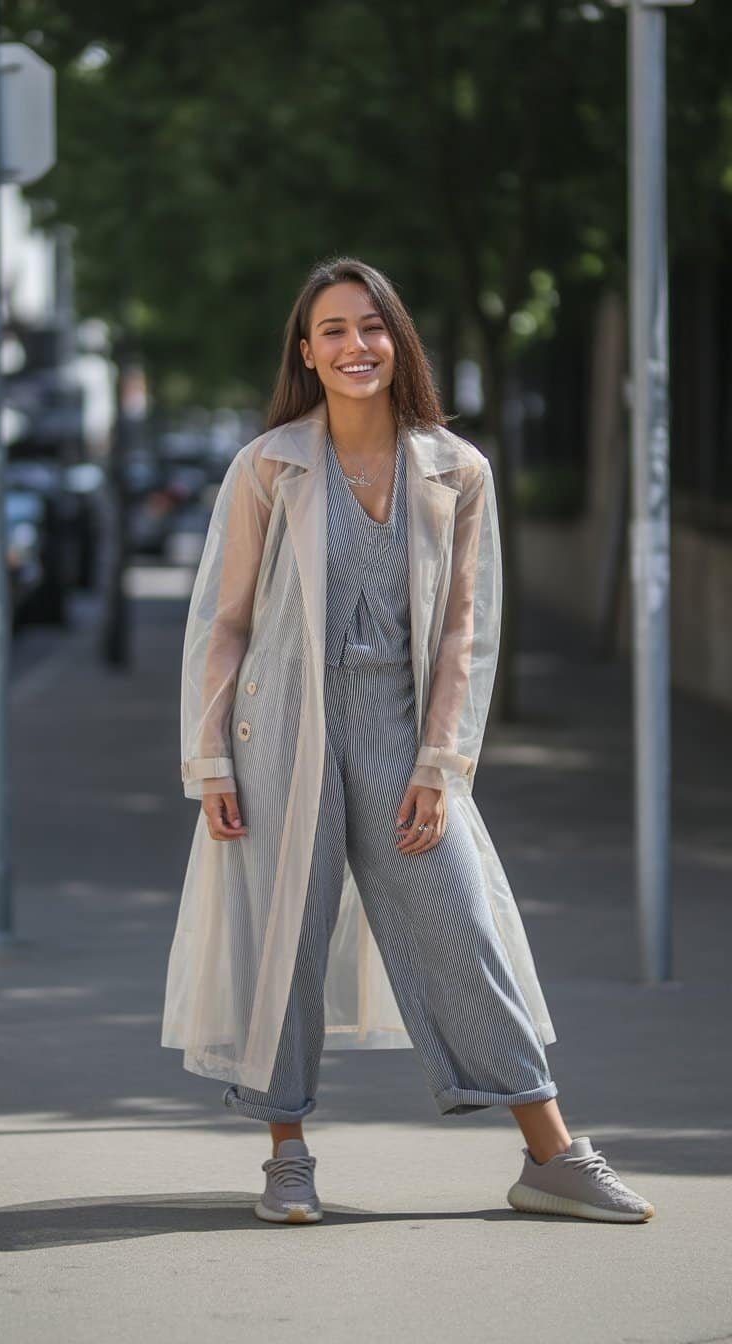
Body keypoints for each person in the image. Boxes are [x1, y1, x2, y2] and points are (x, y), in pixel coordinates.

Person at [161, 256, 655, 1227]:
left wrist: (443, 764)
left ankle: (551, 1157)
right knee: (284, 946)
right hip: (282, 735)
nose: (356, 346)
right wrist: (209, 757)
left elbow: (469, 630)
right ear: (306, 352)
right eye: (334, 330)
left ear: (399, 341)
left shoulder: (456, 471)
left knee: (459, 929)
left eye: (372, 326)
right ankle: (287, 1154)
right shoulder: (267, 467)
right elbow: (220, 624)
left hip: (397, 731)